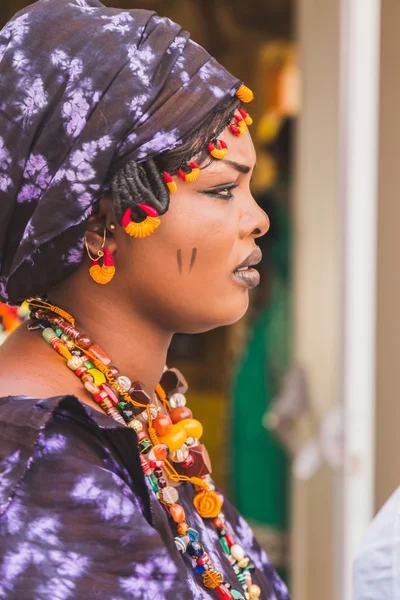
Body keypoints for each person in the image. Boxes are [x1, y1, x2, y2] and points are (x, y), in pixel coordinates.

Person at [0, 1, 290, 599]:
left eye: (251, 189)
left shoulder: (137, 416)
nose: (258, 220)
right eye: (221, 190)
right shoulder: (34, 468)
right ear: (104, 221)